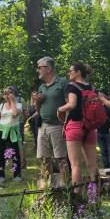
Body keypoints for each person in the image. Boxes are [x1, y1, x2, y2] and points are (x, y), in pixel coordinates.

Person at [57, 63, 99, 189]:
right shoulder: (91, 87)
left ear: (78, 72)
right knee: (92, 164)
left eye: (70, 71)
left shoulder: (72, 86)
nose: (68, 73)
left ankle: (77, 194)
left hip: (75, 126)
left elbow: (72, 104)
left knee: (75, 164)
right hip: (90, 127)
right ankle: (95, 194)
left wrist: (59, 109)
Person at [32, 56, 69, 188]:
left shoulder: (62, 82)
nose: (38, 70)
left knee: (61, 158)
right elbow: (38, 110)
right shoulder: (42, 86)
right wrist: (37, 101)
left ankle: (64, 186)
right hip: (43, 126)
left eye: (39, 68)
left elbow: (70, 103)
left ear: (48, 69)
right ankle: (48, 186)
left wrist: (66, 123)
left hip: (58, 126)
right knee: (44, 158)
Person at [0, 86, 23, 182]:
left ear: (14, 94)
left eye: (9, 93)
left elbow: (15, 114)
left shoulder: (19, 105)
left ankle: (16, 174)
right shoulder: (2, 105)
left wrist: (12, 101)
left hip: (13, 131)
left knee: (15, 153)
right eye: (5, 94)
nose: (7, 96)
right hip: (2, 131)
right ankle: (1, 175)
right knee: (1, 154)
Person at [97, 92, 110, 169]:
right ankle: (106, 168)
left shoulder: (109, 105)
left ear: (104, 96)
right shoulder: (97, 106)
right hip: (99, 132)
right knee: (103, 152)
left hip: (109, 132)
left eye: (100, 95)